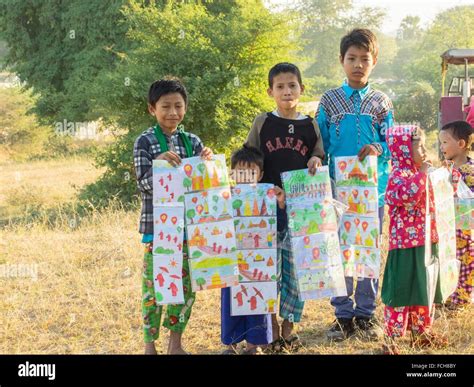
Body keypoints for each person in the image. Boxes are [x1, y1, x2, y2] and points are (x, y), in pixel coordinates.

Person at [316, 28, 394, 341]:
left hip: (372, 191)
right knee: (338, 252)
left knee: (367, 251)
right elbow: (318, 142)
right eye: (352, 58)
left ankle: (365, 314)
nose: (358, 64)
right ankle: (342, 315)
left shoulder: (381, 102)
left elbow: (392, 143)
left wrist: (379, 148)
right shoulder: (329, 100)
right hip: (336, 191)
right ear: (341, 60)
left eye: (364, 59)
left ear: (374, 62)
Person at [245, 62, 325, 351]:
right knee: (269, 270)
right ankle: (271, 328)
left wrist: (316, 158)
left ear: (301, 89)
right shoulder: (263, 122)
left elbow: (318, 152)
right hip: (267, 210)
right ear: (270, 91)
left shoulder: (309, 124)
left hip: (301, 210)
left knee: (296, 270)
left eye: (292, 85)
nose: (287, 91)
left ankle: (289, 326)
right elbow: (249, 157)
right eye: (280, 86)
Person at [133, 77, 213, 354]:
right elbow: (142, 183)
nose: (172, 113)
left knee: (186, 288)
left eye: (178, 106)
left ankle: (175, 345)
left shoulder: (192, 141)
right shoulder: (144, 141)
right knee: (155, 288)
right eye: (165, 106)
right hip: (158, 228)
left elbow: (202, 185)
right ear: (151, 109)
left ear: (186, 108)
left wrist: (207, 163)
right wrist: (160, 166)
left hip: (190, 229)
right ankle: (149, 346)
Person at [381, 125, 446, 354]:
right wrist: (423, 176)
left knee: (422, 287)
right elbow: (406, 196)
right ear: (403, 151)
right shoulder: (398, 175)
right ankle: (392, 338)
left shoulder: (419, 172)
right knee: (400, 290)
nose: (425, 151)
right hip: (404, 247)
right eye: (419, 147)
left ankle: (421, 332)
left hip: (425, 241)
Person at [220, 145, 279, 355]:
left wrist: (279, 201)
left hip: (259, 262)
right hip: (231, 262)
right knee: (230, 302)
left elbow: (278, 220)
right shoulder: (224, 196)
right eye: (240, 173)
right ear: (232, 173)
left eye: (251, 173)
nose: (245, 178)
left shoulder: (268, 196)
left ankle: (255, 344)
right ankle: (231, 344)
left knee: (258, 300)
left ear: (260, 174)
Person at [439, 120, 474, 308]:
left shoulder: (469, 170)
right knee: (450, 261)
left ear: (461, 144)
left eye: (445, 142)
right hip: (449, 227)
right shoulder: (448, 168)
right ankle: (449, 295)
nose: (441, 146)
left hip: (466, 229)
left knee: (466, 262)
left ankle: (461, 298)